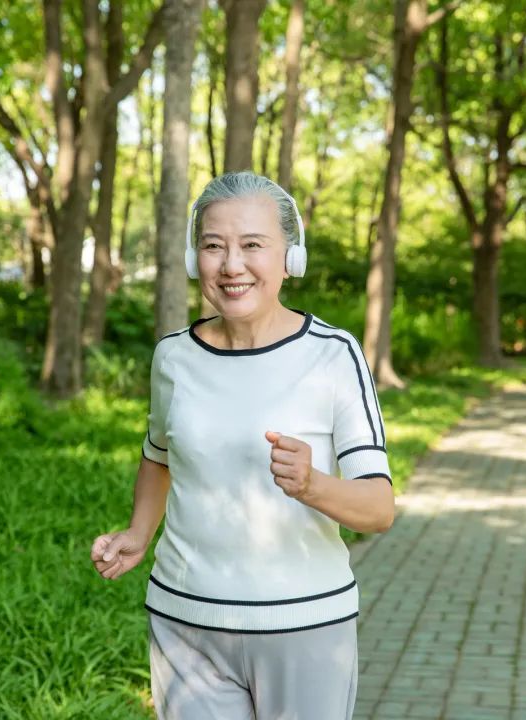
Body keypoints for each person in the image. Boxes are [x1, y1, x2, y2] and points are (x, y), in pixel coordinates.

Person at [91, 171, 395, 719]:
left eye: (253, 245)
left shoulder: (334, 355)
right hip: (184, 622)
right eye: (213, 246)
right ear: (194, 259)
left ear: (289, 259)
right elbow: (159, 453)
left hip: (303, 626)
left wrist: (312, 485)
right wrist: (139, 531)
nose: (232, 265)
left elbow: (378, 510)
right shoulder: (173, 356)